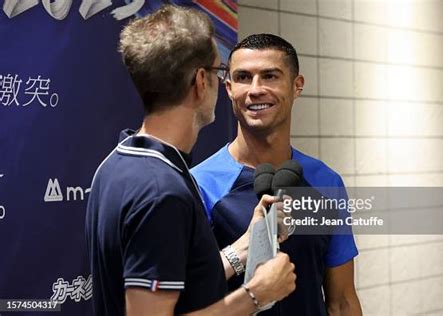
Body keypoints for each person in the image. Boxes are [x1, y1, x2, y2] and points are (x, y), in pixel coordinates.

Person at [85, 8, 296, 316]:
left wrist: (245, 246)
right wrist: (256, 294)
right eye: (219, 72)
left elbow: (176, 281)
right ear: (200, 81)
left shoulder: (119, 162)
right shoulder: (161, 192)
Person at [191, 34, 362, 315]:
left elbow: (342, 300)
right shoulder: (199, 184)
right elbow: (185, 295)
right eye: (244, 77)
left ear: (297, 86)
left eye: (270, 76)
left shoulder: (326, 181)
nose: (256, 89)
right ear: (229, 88)